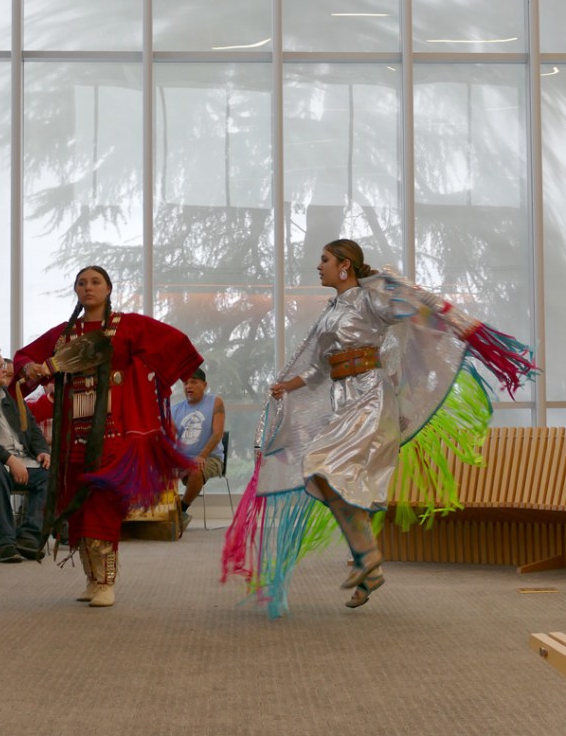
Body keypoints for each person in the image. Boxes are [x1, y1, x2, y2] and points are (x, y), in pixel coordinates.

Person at [222, 239, 536, 617]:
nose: (317, 266)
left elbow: (412, 311)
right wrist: (288, 385)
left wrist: (411, 294)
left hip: (371, 396)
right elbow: (320, 367)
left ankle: (367, 557)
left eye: (324, 259)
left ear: (345, 265)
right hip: (344, 398)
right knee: (323, 477)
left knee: (327, 470)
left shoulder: (369, 299)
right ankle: (367, 562)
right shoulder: (329, 313)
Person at [12, 265, 203, 607]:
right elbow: (26, 355)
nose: (88, 288)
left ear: (109, 289)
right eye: (82, 283)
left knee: (102, 501)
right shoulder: (64, 335)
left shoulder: (127, 326)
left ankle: (106, 581)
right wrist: (31, 368)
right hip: (72, 429)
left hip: (112, 429)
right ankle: (90, 577)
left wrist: (143, 379)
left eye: (95, 282)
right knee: (78, 501)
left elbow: (172, 342)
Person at [0, 344, 50, 563]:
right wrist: (9, 459)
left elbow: (32, 429)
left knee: (49, 474)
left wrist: (43, 452)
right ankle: (2, 541)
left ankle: (28, 538)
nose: (6, 371)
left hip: (19, 460)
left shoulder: (9, 395)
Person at [173, 367, 225, 531]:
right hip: (182, 459)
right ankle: (158, 513)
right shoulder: (174, 409)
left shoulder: (215, 402)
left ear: (205, 385)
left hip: (210, 458)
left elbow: (218, 434)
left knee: (196, 469)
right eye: (186, 383)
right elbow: (169, 438)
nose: (188, 386)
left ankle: (180, 510)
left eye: (194, 382)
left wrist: (201, 456)